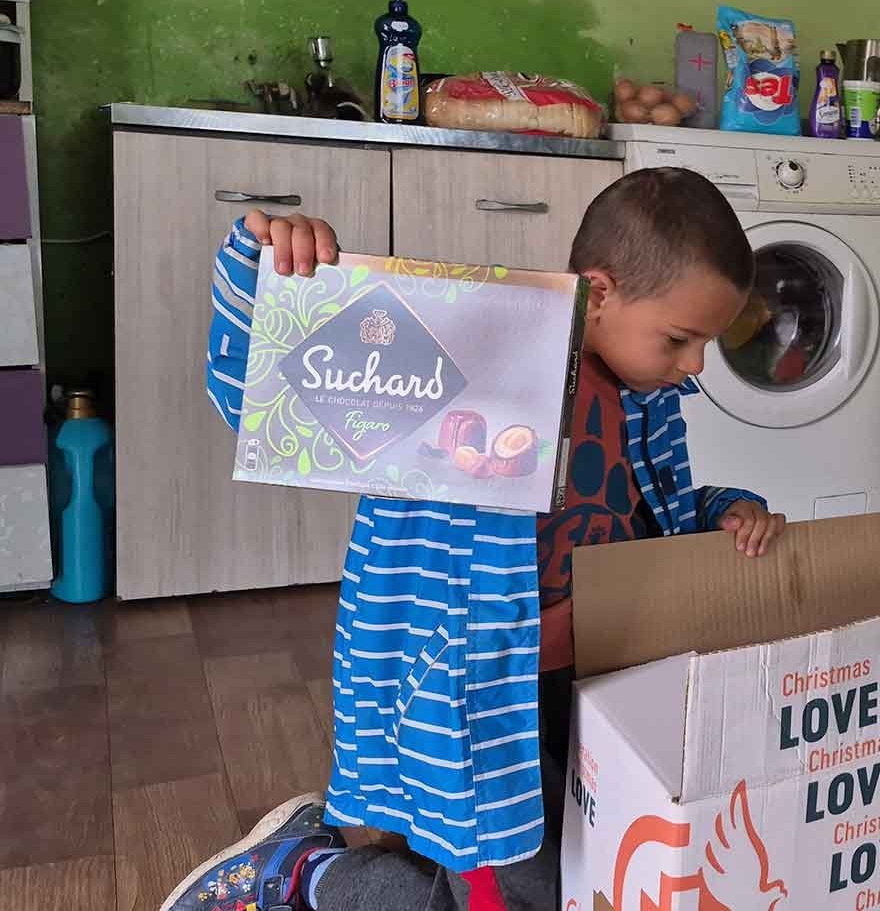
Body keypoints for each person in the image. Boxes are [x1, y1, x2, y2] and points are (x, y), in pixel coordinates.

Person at [163, 167, 787, 911]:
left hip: (590, 682)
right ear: (604, 289)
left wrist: (726, 509)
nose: (694, 367)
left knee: (585, 875)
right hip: (473, 694)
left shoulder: (646, 400)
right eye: (682, 339)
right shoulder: (469, 351)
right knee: (505, 900)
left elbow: (654, 510)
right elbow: (252, 391)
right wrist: (262, 263)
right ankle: (306, 873)